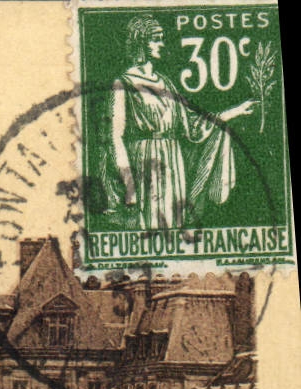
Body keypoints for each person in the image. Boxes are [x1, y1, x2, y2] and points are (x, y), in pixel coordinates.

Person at [106, 14, 255, 231]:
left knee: (173, 227)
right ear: (141, 42)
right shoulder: (123, 83)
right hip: (146, 162)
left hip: (173, 162)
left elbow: (192, 125)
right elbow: (115, 137)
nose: (161, 44)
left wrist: (233, 112)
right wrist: (129, 185)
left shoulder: (166, 82)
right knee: (150, 227)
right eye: (155, 39)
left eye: (161, 38)